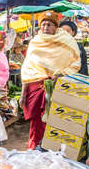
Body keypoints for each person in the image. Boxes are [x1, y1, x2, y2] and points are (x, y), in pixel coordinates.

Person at [20, 11, 81, 149]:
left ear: (56, 26)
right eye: (43, 24)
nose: (46, 27)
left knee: (57, 124)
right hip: (36, 89)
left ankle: (54, 154)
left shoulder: (67, 41)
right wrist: (23, 94)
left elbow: (76, 63)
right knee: (37, 125)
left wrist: (61, 74)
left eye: (49, 24)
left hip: (58, 89)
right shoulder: (35, 42)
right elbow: (27, 70)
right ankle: (34, 151)